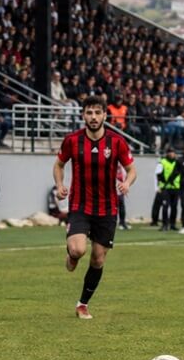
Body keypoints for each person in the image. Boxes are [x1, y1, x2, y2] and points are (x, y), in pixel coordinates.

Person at [54, 95, 137, 320]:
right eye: (89, 113)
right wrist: (60, 185)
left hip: (107, 209)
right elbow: (59, 165)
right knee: (79, 251)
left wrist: (127, 183)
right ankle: (72, 253)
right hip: (80, 205)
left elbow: (131, 169)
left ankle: (82, 304)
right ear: (83, 115)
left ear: (104, 115)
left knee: (98, 259)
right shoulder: (72, 140)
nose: (93, 117)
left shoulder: (117, 142)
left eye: (97, 112)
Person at [154, 148, 180, 232]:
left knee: (174, 207)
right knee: (165, 206)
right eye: (170, 152)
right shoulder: (162, 162)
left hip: (176, 187)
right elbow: (157, 175)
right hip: (165, 187)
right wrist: (157, 187)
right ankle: (165, 224)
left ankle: (172, 224)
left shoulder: (178, 162)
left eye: (173, 152)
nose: (172, 154)